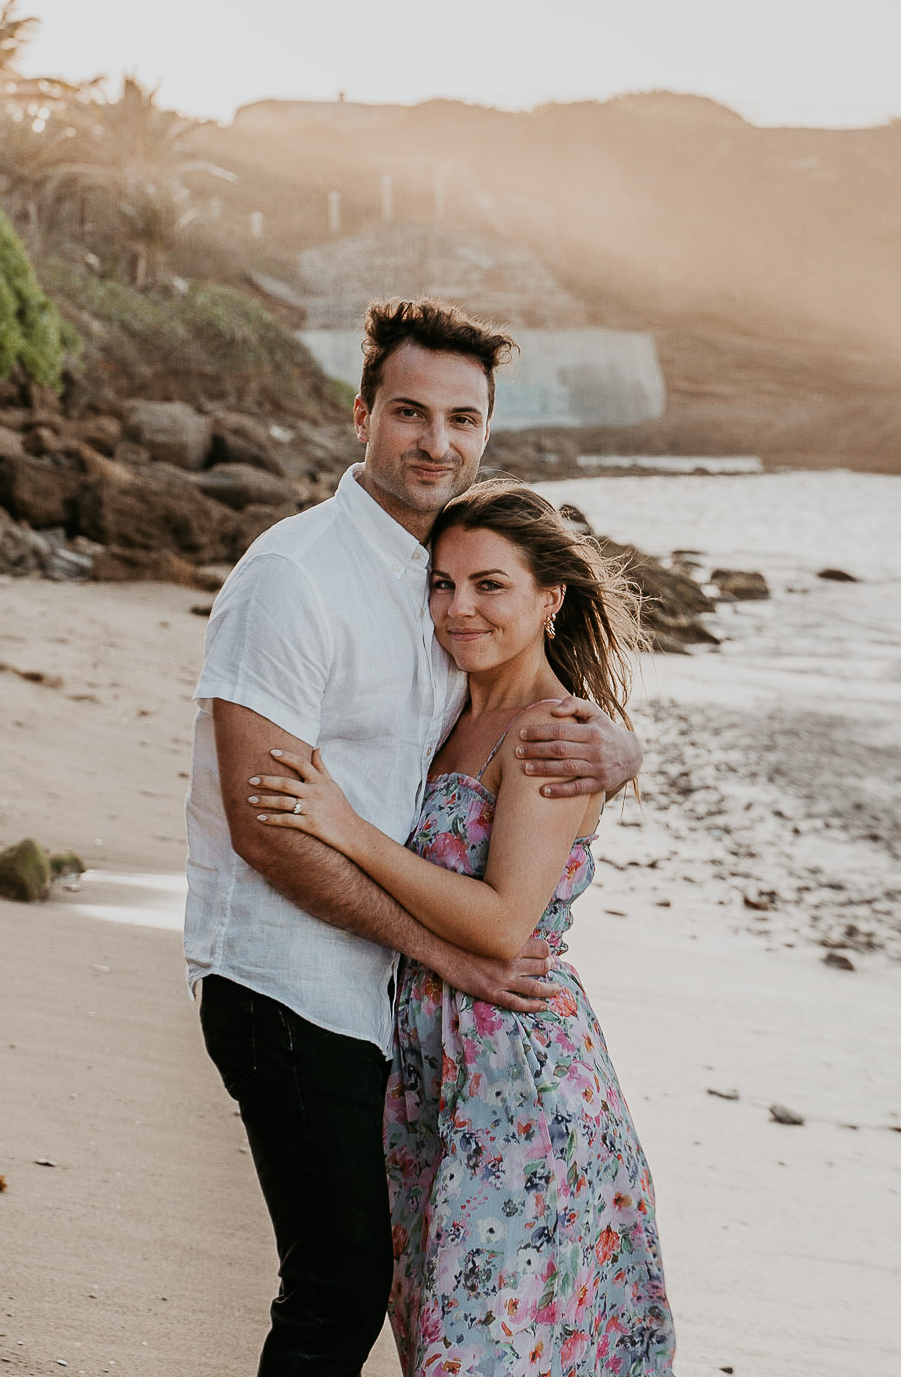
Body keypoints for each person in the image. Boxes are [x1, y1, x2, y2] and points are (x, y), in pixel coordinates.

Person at [185, 299, 642, 1376]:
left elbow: (526, 710)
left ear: (485, 429)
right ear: (362, 416)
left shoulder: (437, 582)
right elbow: (266, 830)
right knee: (339, 1291)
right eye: (409, 412)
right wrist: (441, 949)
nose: (436, 442)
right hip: (287, 982)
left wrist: (620, 752)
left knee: (425, 1309)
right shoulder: (296, 578)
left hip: (410, 1018)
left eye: (462, 419)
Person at [248, 481, 675, 1375]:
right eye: (442, 584)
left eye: (490, 586)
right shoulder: (452, 710)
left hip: (517, 1074)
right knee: (438, 1333)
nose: (458, 608)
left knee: (481, 1350)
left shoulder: (554, 735)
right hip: (432, 1068)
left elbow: (500, 921)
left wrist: (345, 828)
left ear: (549, 599)